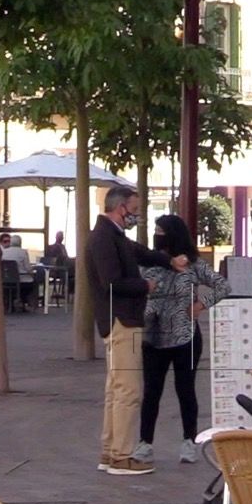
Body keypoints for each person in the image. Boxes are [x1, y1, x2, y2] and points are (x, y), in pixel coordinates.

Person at [87, 185, 187, 476]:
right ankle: (121, 455)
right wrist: (146, 285)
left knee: (116, 389)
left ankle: (110, 451)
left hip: (119, 319)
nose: (137, 215)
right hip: (122, 319)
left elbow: (139, 253)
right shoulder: (104, 238)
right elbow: (111, 282)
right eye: (135, 209)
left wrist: (169, 261)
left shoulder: (113, 236)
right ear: (121, 208)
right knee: (128, 390)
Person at [137, 214, 230, 464]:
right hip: (153, 336)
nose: (157, 235)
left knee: (185, 389)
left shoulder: (193, 263)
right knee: (151, 392)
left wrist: (201, 304)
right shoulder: (149, 262)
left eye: (161, 231)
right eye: (155, 230)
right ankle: (145, 442)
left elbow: (222, 285)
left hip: (185, 336)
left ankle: (189, 441)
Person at [0, 233, 37, 311]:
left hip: (7, 280)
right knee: (33, 283)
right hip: (22, 280)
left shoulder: (4, 252)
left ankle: (10, 303)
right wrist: (32, 273)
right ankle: (28, 303)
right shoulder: (23, 252)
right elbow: (27, 268)